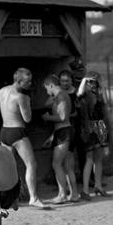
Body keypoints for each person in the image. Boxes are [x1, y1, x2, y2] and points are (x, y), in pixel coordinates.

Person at [0, 68, 45, 208]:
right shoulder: (22, 97)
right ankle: (33, 198)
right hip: (17, 132)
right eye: (27, 81)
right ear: (19, 81)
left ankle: (10, 198)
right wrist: (26, 105)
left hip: (4, 132)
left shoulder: (3, 90)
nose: (30, 84)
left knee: (9, 167)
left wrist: (4, 108)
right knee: (31, 164)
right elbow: (27, 118)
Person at [43, 74, 80, 203]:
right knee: (68, 166)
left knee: (56, 163)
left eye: (47, 88)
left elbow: (63, 117)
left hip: (64, 132)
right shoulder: (60, 96)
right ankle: (74, 194)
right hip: (64, 131)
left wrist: (48, 118)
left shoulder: (62, 96)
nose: (47, 91)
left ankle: (62, 195)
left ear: (51, 85)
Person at [77, 72, 112, 198]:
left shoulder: (99, 93)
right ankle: (85, 190)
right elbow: (78, 94)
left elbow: (106, 106)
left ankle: (98, 186)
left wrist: (101, 85)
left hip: (100, 126)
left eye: (94, 81)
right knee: (89, 158)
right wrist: (84, 80)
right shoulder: (84, 94)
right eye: (89, 81)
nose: (92, 84)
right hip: (89, 127)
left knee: (99, 158)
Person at [59, 69, 84, 197]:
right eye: (62, 81)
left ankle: (73, 192)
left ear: (71, 81)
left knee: (68, 163)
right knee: (64, 163)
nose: (65, 83)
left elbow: (76, 112)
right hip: (64, 128)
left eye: (67, 80)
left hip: (72, 128)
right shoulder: (59, 93)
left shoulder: (75, 93)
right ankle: (69, 191)